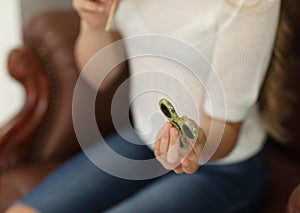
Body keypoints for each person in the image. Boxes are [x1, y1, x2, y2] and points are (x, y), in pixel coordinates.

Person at [5, 0, 281, 212]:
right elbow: (101, 78)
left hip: (226, 166)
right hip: (142, 138)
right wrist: (93, 24)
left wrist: (191, 145)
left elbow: (226, 129)